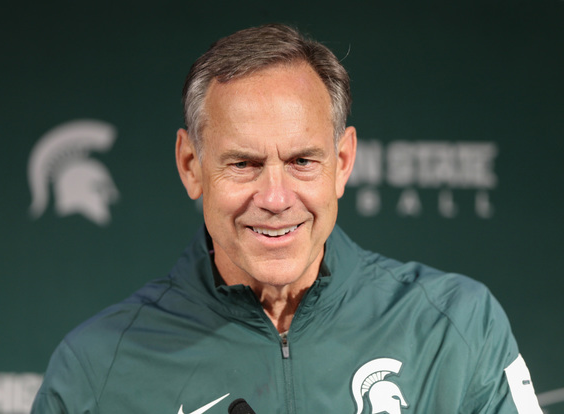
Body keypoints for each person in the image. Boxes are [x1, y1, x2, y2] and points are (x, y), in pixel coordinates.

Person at [31, 24, 542, 414]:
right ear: (191, 166)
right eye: (243, 164)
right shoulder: (96, 369)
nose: (275, 198)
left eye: (302, 161)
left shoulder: (455, 326)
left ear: (342, 162)